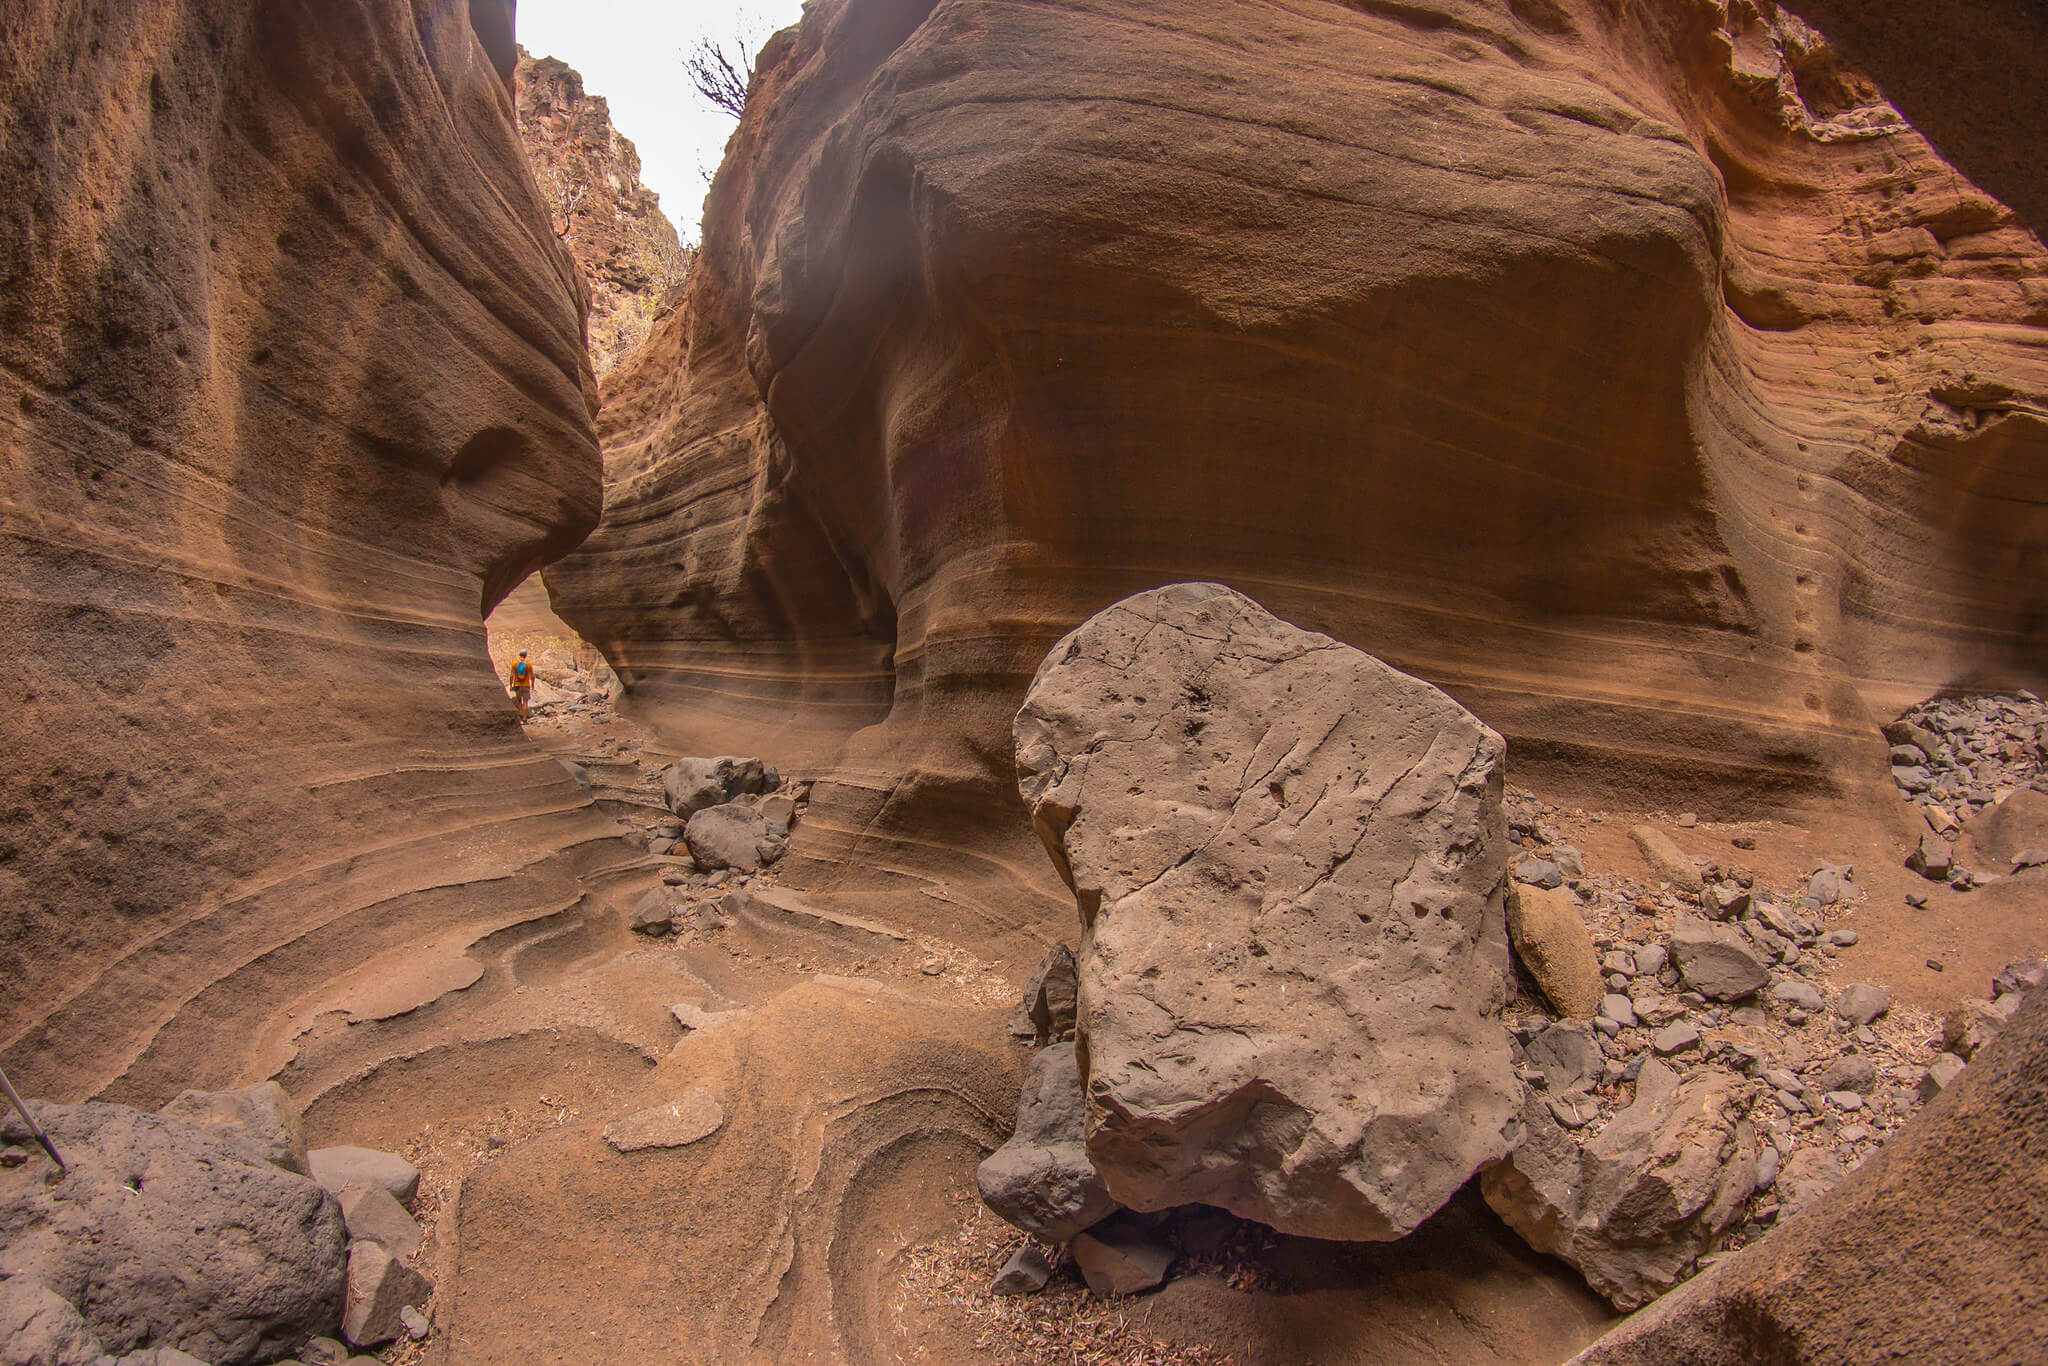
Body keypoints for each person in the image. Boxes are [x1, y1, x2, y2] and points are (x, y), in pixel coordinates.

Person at [509, 649, 535, 720]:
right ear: (526, 655)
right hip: (526, 685)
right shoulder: (528, 663)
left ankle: (520, 715)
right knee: (525, 702)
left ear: (519, 654)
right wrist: (532, 685)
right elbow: (532, 676)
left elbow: (511, 676)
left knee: (519, 701)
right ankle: (524, 718)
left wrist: (511, 685)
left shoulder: (514, 663)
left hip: (517, 685)